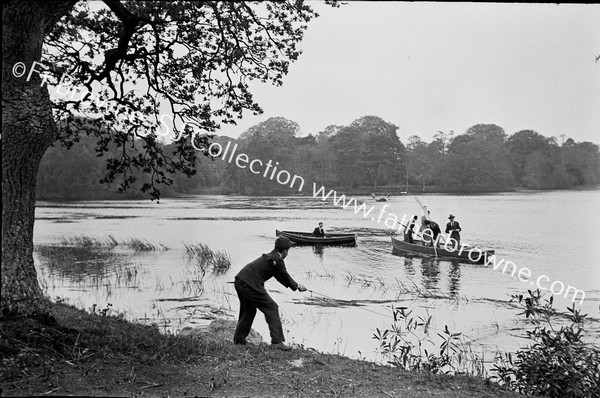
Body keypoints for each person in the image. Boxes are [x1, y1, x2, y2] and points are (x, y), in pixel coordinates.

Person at [233, 237, 307, 350]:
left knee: (248, 310)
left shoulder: (271, 257)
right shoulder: (277, 259)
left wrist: (294, 287)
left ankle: (239, 341)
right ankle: (277, 342)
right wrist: (297, 286)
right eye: (288, 250)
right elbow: (285, 276)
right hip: (249, 283)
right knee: (272, 308)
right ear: (285, 251)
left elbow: (279, 276)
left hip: (240, 280)